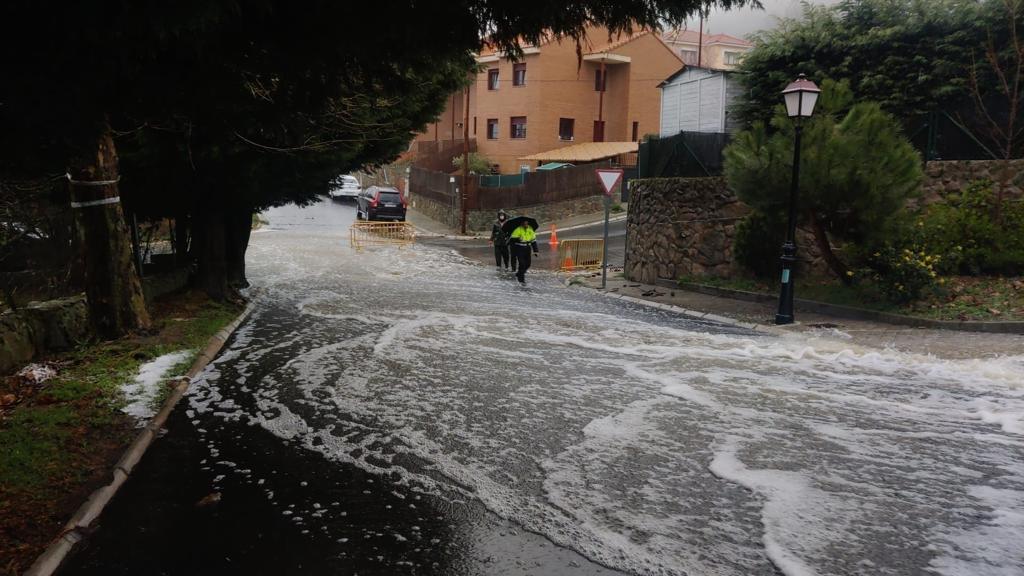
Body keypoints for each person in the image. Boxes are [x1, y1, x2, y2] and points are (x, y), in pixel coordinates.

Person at [509, 219, 539, 284]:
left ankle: (519, 273)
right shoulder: (518, 230)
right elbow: (512, 240)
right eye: (524, 223)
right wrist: (517, 239)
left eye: (527, 223)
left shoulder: (530, 230)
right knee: (522, 264)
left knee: (528, 264)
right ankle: (521, 279)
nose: (526, 224)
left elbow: (533, 241)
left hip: (527, 248)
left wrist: (536, 250)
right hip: (519, 249)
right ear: (522, 223)